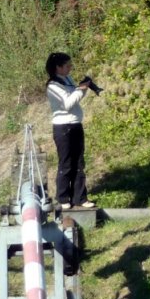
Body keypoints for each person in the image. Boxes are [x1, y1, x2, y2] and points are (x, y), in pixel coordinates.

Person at [45, 52, 95, 210]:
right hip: (62, 127)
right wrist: (81, 89)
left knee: (79, 163)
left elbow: (75, 96)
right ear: (58, 68)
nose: (70, 68)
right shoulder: (53, 85)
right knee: (66, 164)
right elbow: (67, 104)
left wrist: (83, 88)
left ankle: (80, 198)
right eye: (67, 65)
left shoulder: (67, 79)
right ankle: (63, 198)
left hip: (75, 125)